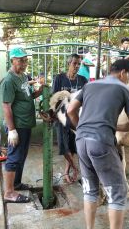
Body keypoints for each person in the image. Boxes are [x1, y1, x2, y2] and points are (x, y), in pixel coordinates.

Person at [67, 59, 129, 229]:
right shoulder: (125, 89)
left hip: (81, 141)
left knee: (90, 189)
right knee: (117, 193)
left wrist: (82, 129)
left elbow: (70, 110)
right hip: (101, 141)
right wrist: (115, 126)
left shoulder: (90, 85)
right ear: (123, 73)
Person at [1, 47, 44, 203]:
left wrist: (39, 91)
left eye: (25, 60)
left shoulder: (23, 76)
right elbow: (6, 105)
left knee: (22, 155)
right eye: (20, 60)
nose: (24, 63)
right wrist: (12, 130)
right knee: (14, 157)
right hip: (17, 125)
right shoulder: (9, 80)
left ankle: (17, 183)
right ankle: (9, 193)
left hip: (26, 124)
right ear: (13, 60)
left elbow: (29, 95)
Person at [52, 54, 88, 183]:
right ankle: (74, 168)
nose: (77, 66)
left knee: (74, 146)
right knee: (64, 146)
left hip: (77, 117)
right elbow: (54, 98)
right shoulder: (59, 78)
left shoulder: (83, 80)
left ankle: (68, 171)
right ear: (68, 64)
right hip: (61, 117)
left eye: (79, 64)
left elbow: (87, 99)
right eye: (74, 63)